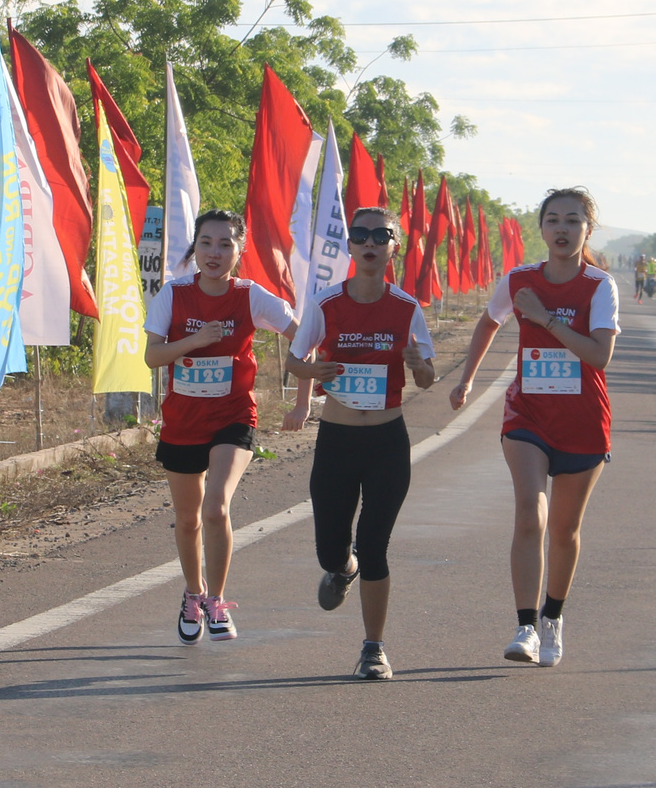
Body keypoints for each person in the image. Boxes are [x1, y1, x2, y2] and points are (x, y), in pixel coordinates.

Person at [449, 187, 620, 669]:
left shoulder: (598, 286)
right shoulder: (520, 279)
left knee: (564, 530)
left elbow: (598, 355)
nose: (561, 229)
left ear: (587, 229)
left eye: (572, 221)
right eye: (552, 220)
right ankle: (524, 625)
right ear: (541, 228)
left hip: (584, 421)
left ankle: (553, 617)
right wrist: (465, 381)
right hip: (528, 416)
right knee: (531, 513)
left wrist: (544, 319)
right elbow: (488, 323)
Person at [282, 208, 437, 680]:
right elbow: (293, 361)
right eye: (360, 234)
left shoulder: (407, 307)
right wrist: (314, 372)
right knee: (332, 550)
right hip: (337, 440)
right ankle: (340, 568)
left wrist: (417, 364)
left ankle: (374, 648)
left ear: (395, 246)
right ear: (350, 245)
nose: (370, 242)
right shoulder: (327, 304)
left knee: (375, 545)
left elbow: (427, 379)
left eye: (381, 235)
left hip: (387, 441)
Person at [144, 209, 299, 646]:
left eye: (225, 244)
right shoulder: (173, 295)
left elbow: (302, 336)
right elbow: (152, 357)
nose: (215, 253)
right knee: (188, 519)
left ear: (240, 249)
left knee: (216, 508)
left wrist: (306, 393)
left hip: (233, 416)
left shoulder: (251, 296)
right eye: (207, 243)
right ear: (195, 246)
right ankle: (192, 595)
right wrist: (195, 341)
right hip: (182, 421)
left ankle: (216, 599)